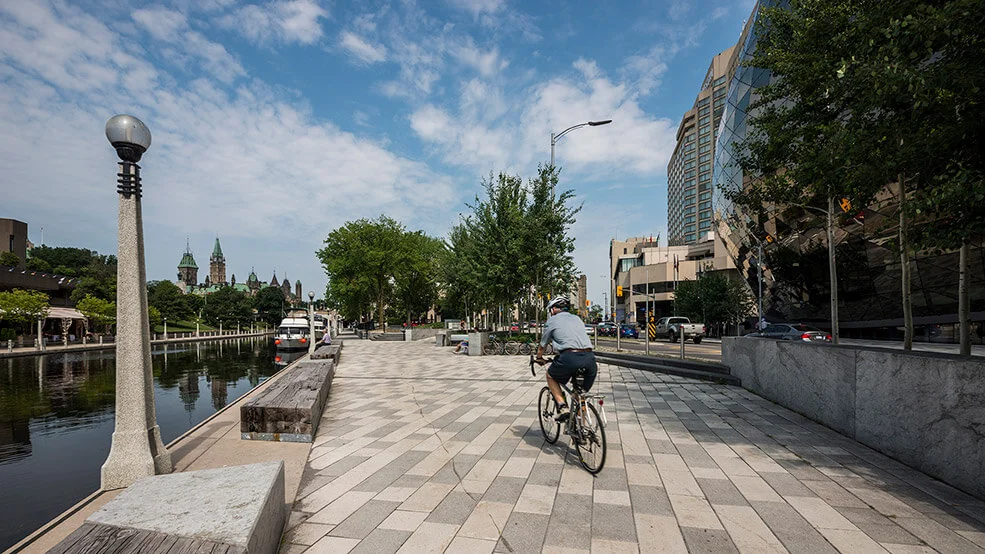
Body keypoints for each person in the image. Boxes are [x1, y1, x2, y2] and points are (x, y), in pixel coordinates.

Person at [535, 296, 597, 421]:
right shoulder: (577, 318)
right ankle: (582, 430)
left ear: (553, 310)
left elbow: (543, 345)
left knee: (551, 376)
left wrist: (539, 358)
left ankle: (562, 406)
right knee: (579, 395)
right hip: (590, 359)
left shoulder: (552, 321)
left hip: (569, 357)